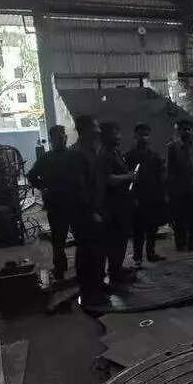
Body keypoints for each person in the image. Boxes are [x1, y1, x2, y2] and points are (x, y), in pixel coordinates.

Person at [67, 115, 105, 305]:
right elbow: (79, 187)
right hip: (83, 213)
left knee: (97, 251)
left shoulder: (91, 150)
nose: (99, 130)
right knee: (87, 252)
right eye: (95, 126)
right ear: (87, 129)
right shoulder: (77, 153)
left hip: (95, 209)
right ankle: (88, 293)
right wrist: (92, 211)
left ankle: (98, 285)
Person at [27, 124, 73, 281]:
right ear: (52, 139)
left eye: (63, 135)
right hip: (56, 204)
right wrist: (43, 187)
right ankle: (60, 269)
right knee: (58, 239)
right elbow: (31, 176)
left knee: (82, 238)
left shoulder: (74, 155)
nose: (62, 138)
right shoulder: (46, 158)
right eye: (58, 136)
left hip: (75, 203)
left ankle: (84, 268)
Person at [97, 122, 135, 285]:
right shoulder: (104, 155)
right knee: (115, 240)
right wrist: (129, 177)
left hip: (121, 203)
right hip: (112, 206)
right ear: (105, 137)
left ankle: (117, 268)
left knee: (121, 239)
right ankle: (115, 273)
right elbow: (109, 179)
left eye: (118, 133)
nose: (119, 137)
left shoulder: (115, 152)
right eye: (115, 134)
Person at [124, 123, 165, 266]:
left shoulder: (154, 155)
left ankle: (151, 253)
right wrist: (131, 197)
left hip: (153, 196)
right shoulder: (129, 156)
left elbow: (160, 176)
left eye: (146, 135)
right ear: (135, 136)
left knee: (152, 227)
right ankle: (137, 257)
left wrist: (162, 194)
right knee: (138, 230)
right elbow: (128, 179)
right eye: (141, 134)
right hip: (138, 197)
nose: (144, 137)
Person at [167, 119, 193, 251]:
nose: (187, 132)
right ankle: (180, 242)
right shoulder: (172, 147)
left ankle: (192, 242)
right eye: (184, 129)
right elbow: (169, 169)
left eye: (189, 129)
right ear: (179, 131)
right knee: (179, 218)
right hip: (179, 188)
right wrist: (170, 189)